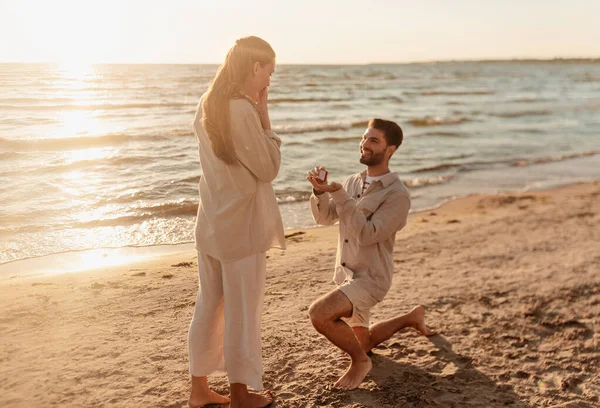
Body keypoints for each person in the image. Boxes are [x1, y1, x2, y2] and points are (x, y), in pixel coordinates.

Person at [187, 36, 284, 408]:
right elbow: (268, 167)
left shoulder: (207, 104)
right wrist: (266, 121)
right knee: (242, 312)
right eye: (268, 72)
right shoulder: (242, 111)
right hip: (241, 226)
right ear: (254, 68)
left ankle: (199, 390)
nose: (269, 83)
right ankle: (241, 394)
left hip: (211, 221)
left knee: (208, 306)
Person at [306, 118, 435, 390]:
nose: (365, 144)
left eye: (374, 140)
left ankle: (361, 363)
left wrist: (339, 194)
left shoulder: (398, 196)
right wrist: (320, 191)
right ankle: (411, 317)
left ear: (391, 150)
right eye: (364, 138)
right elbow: (325, 218)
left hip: (371, 279)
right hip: (346, 274)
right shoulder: (354, 182)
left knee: (319, 314)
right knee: (362, 342)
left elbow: (366, 234)